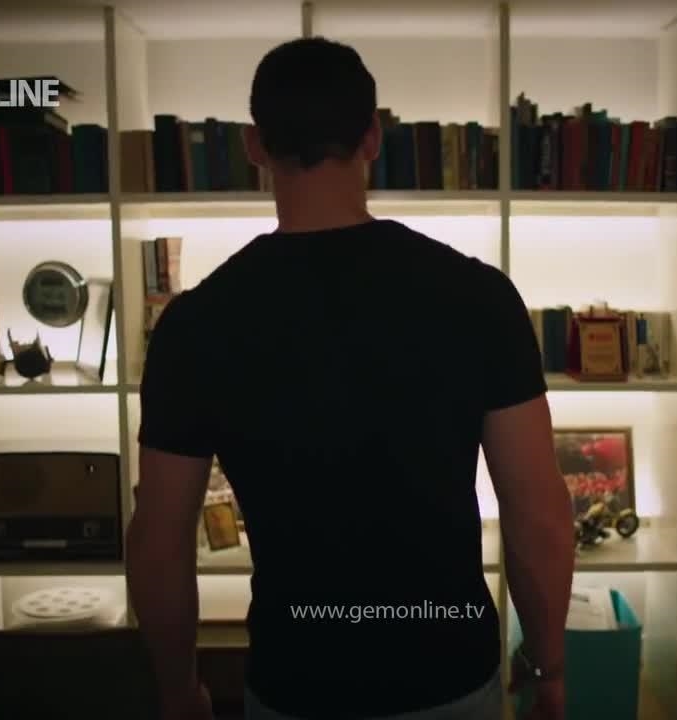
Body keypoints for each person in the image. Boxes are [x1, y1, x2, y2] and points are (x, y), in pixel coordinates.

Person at [126, 37, 574, 720]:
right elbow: (538, 515)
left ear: (255, 145)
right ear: (372, 137)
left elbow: (158, 541)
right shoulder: (478, 296)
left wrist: (177, 690)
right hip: (449, 673)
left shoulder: (194, 323)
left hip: (294, 681)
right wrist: (549, 667)